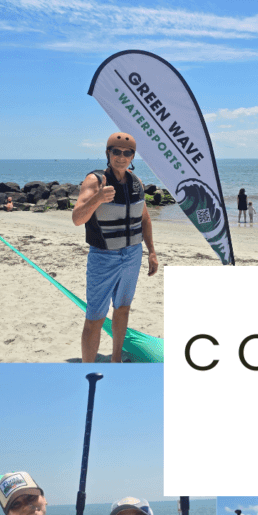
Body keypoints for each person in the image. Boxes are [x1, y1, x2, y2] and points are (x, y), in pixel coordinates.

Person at [72, 132, 158, 363]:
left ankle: (116, 359)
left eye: (127, 153)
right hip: (104, 256)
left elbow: (145, 219)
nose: (122, 157)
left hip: (132, 254)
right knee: (95, 317)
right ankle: (87, 367)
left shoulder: (135, 182)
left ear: (133, 156)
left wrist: (152, 252)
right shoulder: (95, 180)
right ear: (108, 153)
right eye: (116, 152)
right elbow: (77, 218)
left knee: (122, 308)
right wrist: (97, 198)